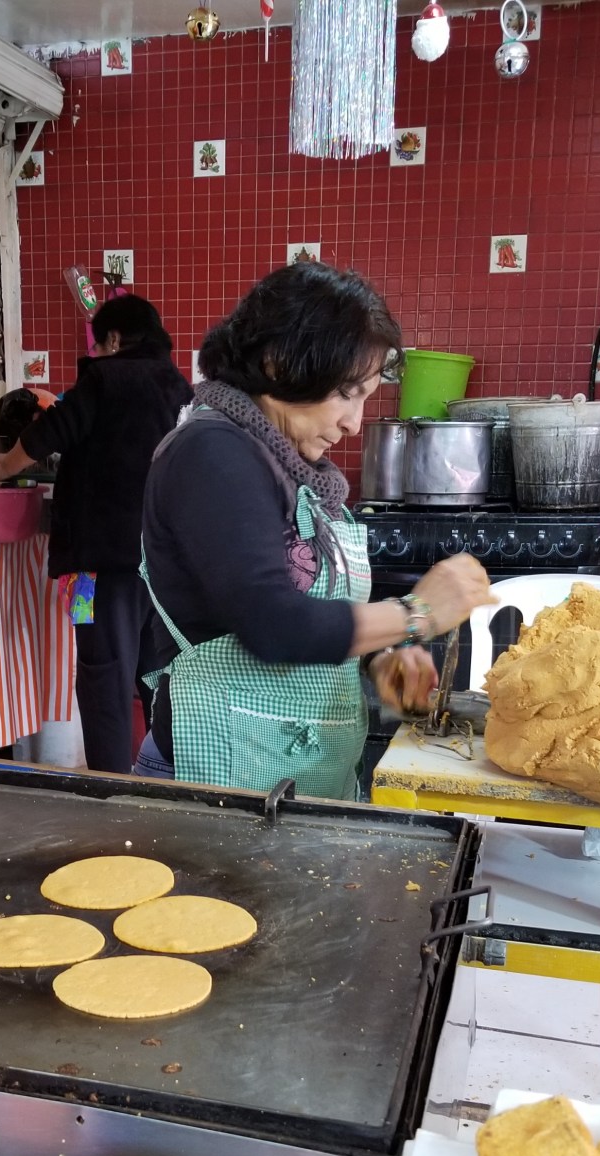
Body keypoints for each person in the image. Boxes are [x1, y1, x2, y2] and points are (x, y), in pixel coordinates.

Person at [135, 261, 493, 799]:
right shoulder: (213, 453)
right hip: (215, 776)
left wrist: (378, 658)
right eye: (347, 392)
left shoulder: (294, 466)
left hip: (287, 771)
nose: (354, 423)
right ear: (280, 365)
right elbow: (273, 623)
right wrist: (414, 615)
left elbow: (310, 605)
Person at [0, 295, 192, 773]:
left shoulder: (105, 378)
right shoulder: (177, 386)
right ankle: (160, 776)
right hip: (162, 568)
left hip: (99, 566)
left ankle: (111, 791)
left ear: (114, 339)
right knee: (153, 674)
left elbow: (55, 428)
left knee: (102, 674)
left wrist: (3, 466)